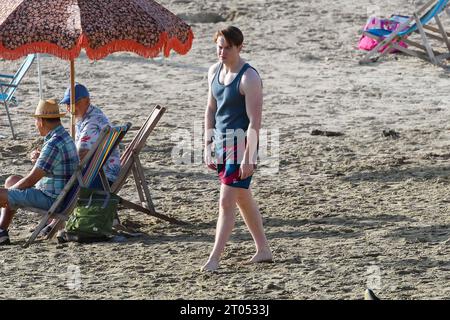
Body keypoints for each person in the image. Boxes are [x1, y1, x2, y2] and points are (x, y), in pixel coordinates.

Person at [202, 26, 272, 271]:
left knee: (226, 201)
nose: (222, 52)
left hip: (241, 146)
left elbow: (255, 121)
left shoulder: (249, 77)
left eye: (227, 48)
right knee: (242, 198)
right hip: (221, 143)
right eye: (219, 47)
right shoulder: (213, 72)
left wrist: (249, 156)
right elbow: (211, 108)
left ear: (239, 47)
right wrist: (207, 143)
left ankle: (214, 259)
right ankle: (263, 249)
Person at [0, 99, 79, 245]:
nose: (36, 125)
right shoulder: (63, 137)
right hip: (61, 194)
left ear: (41, 121)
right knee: (11, 180)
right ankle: (1, 231)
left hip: (52, 200)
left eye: (36, 121)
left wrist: (9, 196)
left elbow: (31, 180)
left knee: (3, 193)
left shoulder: (54, 143)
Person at [60, 83, 121, 188]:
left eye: (75, 103)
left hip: (102, 178)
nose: (70, 109)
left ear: (87, 101)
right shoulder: (91, 114)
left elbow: (78, 155)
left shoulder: (91, 122)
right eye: (68, 104)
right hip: (101, 173)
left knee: (58, 182)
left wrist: (52, 158)